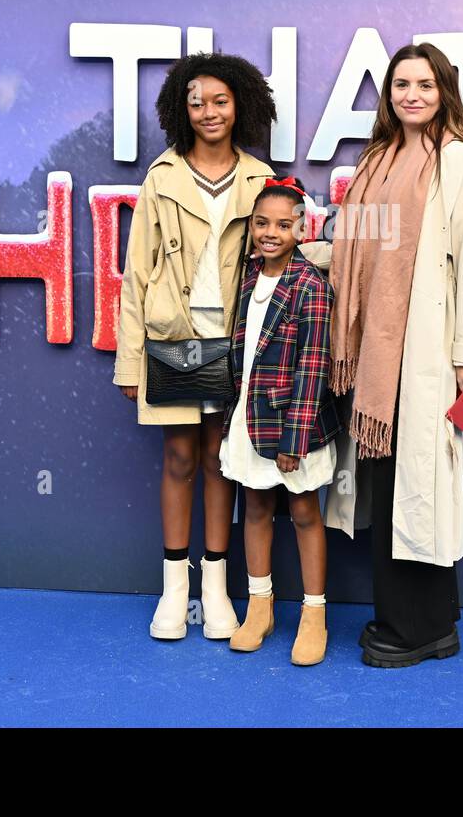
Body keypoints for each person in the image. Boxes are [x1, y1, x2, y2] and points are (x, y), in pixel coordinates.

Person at [325, 41, 463, 667]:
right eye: (402, 84)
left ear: (444, 90)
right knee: (391, 480)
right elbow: (357, 249)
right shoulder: (379, 160)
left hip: (424, 349)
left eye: (425, 84)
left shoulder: (460, 163)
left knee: (417, 485)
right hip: (377, 350)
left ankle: (418, 631)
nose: (412, 95)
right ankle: (422, 618)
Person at [113, 52, 277, 641]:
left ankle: (216, 590)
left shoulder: (262, 179)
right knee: (180, 458)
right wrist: (130, 358)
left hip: (236, 343)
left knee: (220, 461)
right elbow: (137, 274)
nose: (209, 112)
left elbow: (287, 256)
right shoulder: (162, 177)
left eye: (220, 101)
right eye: (196, 102)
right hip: (174, 339)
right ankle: (173, 591)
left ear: (241, 106)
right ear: (181, 110)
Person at [220, 177, 341, 666]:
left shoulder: (309, 283)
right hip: (250, 416)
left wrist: (296, 438)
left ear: (300, 228)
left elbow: (314, 366)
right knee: (254, 510)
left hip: (295, 426)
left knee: (306, 513)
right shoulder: (249, 276)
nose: (271, 232)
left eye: (283, 224)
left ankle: (315, 615)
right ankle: (260, 606)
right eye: (262, 223)